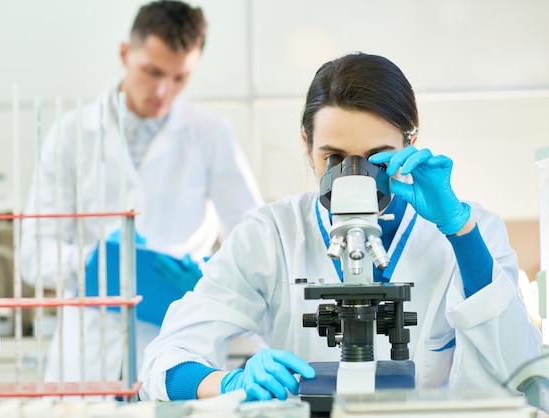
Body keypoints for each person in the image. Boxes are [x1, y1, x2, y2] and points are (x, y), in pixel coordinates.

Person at [138, 52, 542, 402]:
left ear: (410, 142)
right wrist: (227, 382)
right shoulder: (271, 234)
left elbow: (523, 372)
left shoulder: (473, 228)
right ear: (306, 144)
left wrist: (460, 230)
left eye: (378, 158)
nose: (355, 176)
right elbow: (163, 363)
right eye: (334, 158)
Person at [20, 0, 263, 385]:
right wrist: (99, 263)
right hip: (87, 356)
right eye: (152, 72)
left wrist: (205, 278)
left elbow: (255, 247)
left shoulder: (211, 134)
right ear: (124, 54)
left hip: (180, 345)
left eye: (180, 77)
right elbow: (33, 255)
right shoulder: (70, 135)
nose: (163, 90)